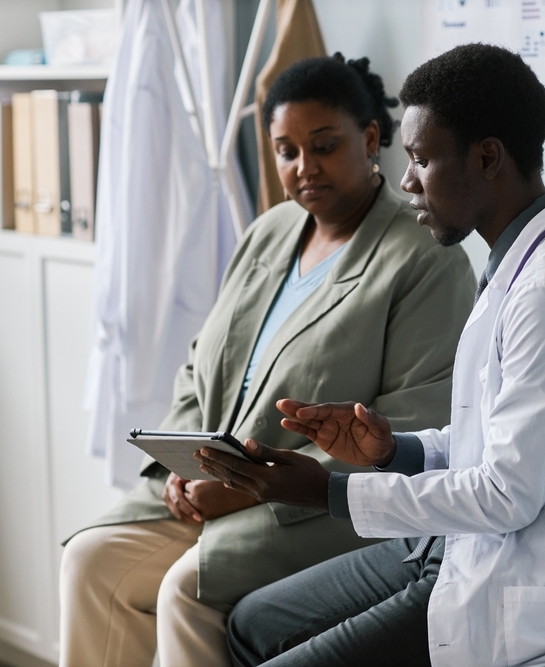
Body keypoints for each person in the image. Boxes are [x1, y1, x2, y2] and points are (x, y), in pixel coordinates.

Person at [198, 43, 545, 667]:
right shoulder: (513, 266)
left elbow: (506, 494)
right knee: (252, 622)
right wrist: (395, 451)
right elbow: (494, 442)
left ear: (487, 157)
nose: (407, 181)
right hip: (459, 544)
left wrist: (329, 491)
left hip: (536, 575)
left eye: (419, 159)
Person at [58, 54, 476, 667]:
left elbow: (409, 423)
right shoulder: (271, 232)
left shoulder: (421, 258)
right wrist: (180, 463)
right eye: (285, 151)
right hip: (209, 486)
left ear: (369, 139)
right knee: (90, 563)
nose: (304, 168)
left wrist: (253, 488)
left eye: (324, 145)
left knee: (186, 592)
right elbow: (201, 365)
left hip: (313, 504)